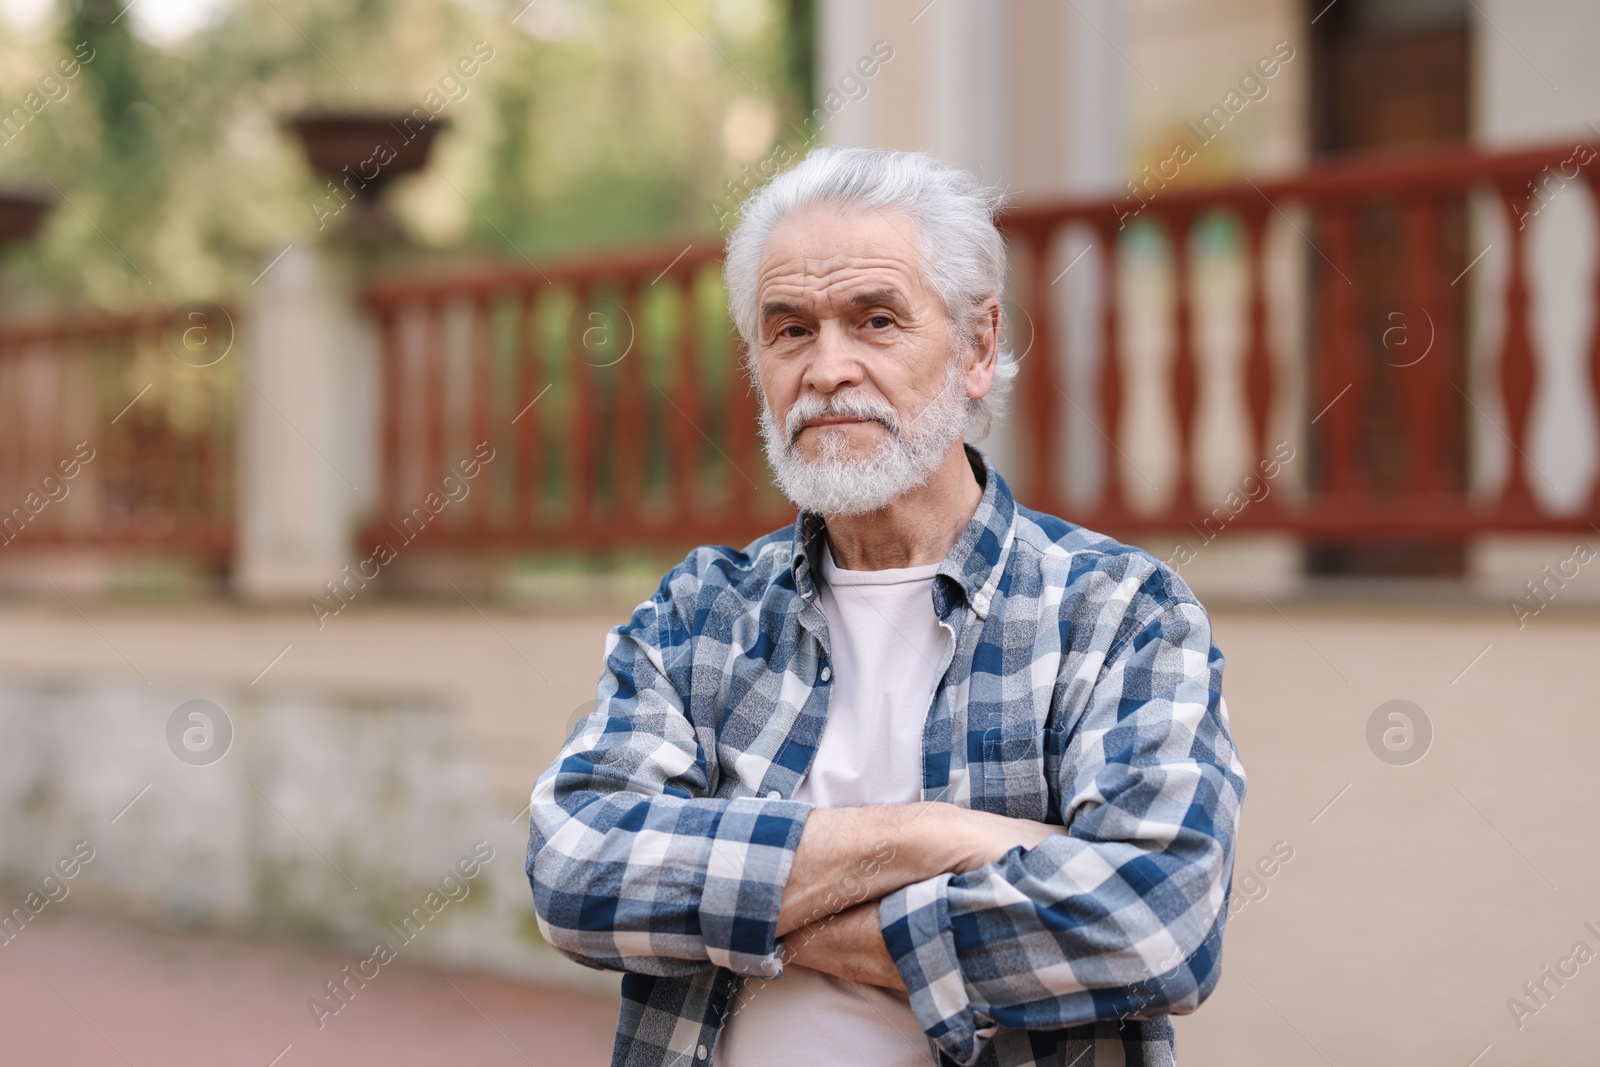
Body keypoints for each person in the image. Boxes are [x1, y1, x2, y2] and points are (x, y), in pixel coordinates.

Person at [526, 146, 1246, 1067]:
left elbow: (1157, 921)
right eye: (790, 330)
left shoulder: (1117, 613)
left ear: (978, 347)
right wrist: (932, 836)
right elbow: (575, 868)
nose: (828, 369)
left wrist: (734, 909)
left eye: (875, 321)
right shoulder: (698, 614)